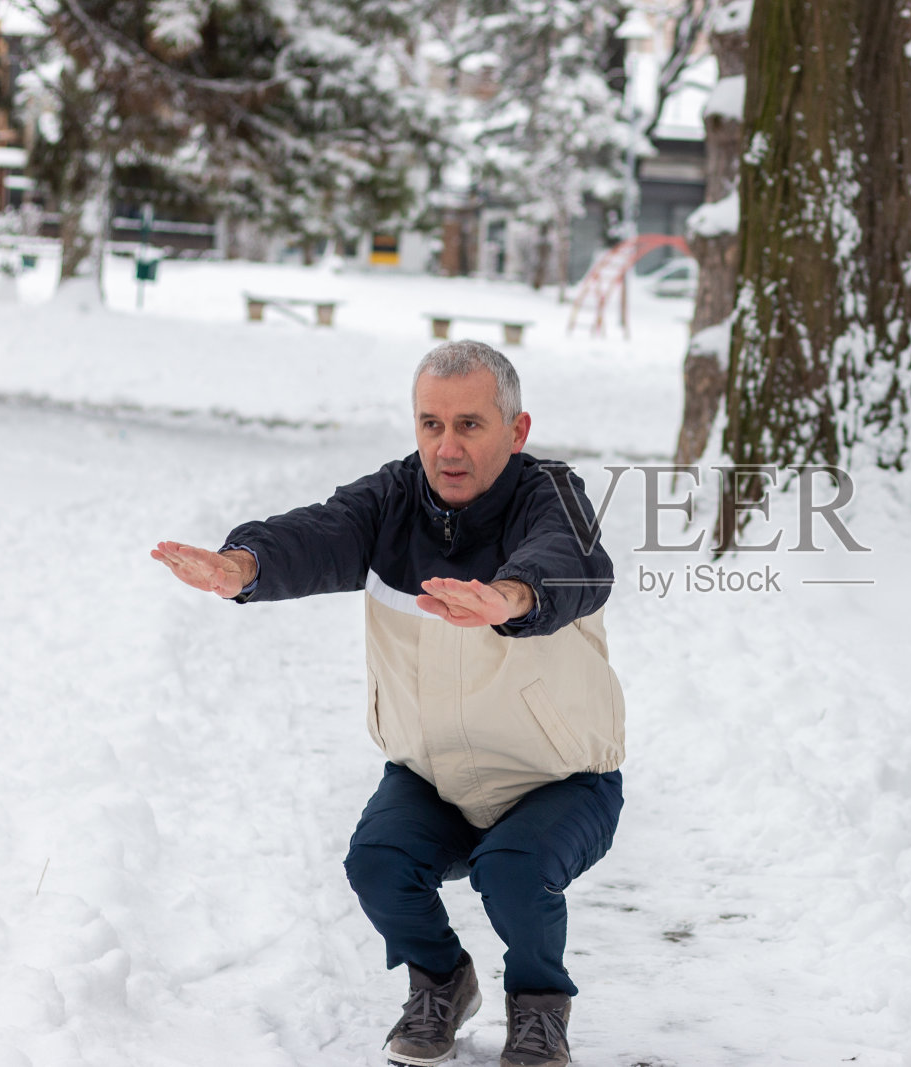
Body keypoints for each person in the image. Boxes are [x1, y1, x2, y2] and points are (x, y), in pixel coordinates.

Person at [151, 341, 624, 1067]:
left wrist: (509, 597)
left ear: (516, 431)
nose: (447, 445)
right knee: (375, 861)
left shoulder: (552, 497)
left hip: (560, 781)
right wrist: (244, 564)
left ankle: (538, 1008)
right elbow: (319, 531)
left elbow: (572, 561)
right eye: (430, 424)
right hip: (434, 776)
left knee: (514, 870)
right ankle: (440, 979)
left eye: (470, 424)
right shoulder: (395, 499)